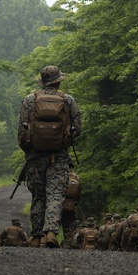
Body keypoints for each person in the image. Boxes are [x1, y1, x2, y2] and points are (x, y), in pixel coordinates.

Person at [18, 65, 81, 248]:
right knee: (55, 194)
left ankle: (36, 237)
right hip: (59, 156)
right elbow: (77, 128)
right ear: (59, 82)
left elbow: (21, 134)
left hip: (35, 157)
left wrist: (30, 151)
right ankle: (52, 231)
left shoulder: (30, 100)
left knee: (38, 196)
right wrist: (63, 142)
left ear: (43, 81)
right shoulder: (68, 100)